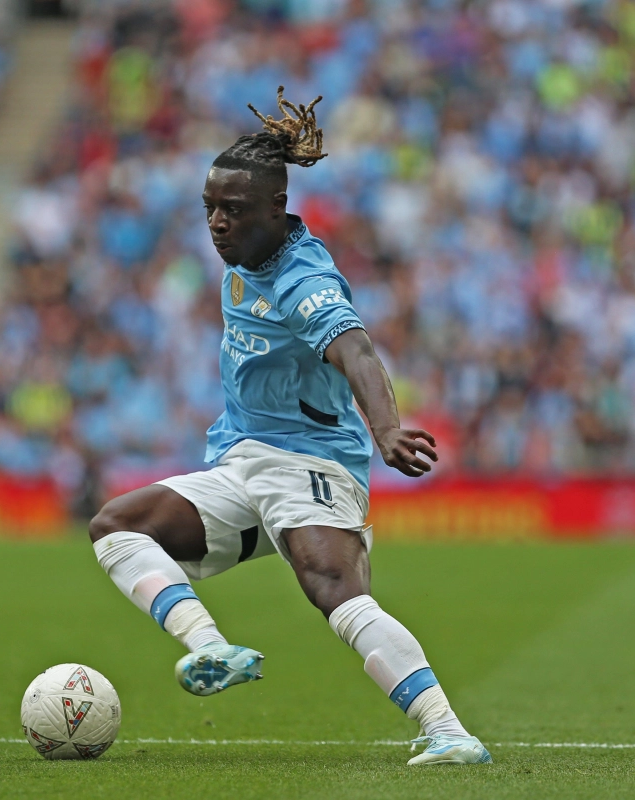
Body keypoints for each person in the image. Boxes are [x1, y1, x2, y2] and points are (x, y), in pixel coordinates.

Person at [88, 88, 490, 766]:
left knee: (333, 590)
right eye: (210, 208)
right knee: (116, 526)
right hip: (244, 462)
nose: (217, 223)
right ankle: (211, 648)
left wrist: (387, 428)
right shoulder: (245, 255)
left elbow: (356, 348)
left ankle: (448, 730)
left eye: (233, 211)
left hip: (312, 465)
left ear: (277, 208)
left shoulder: (304, 281)